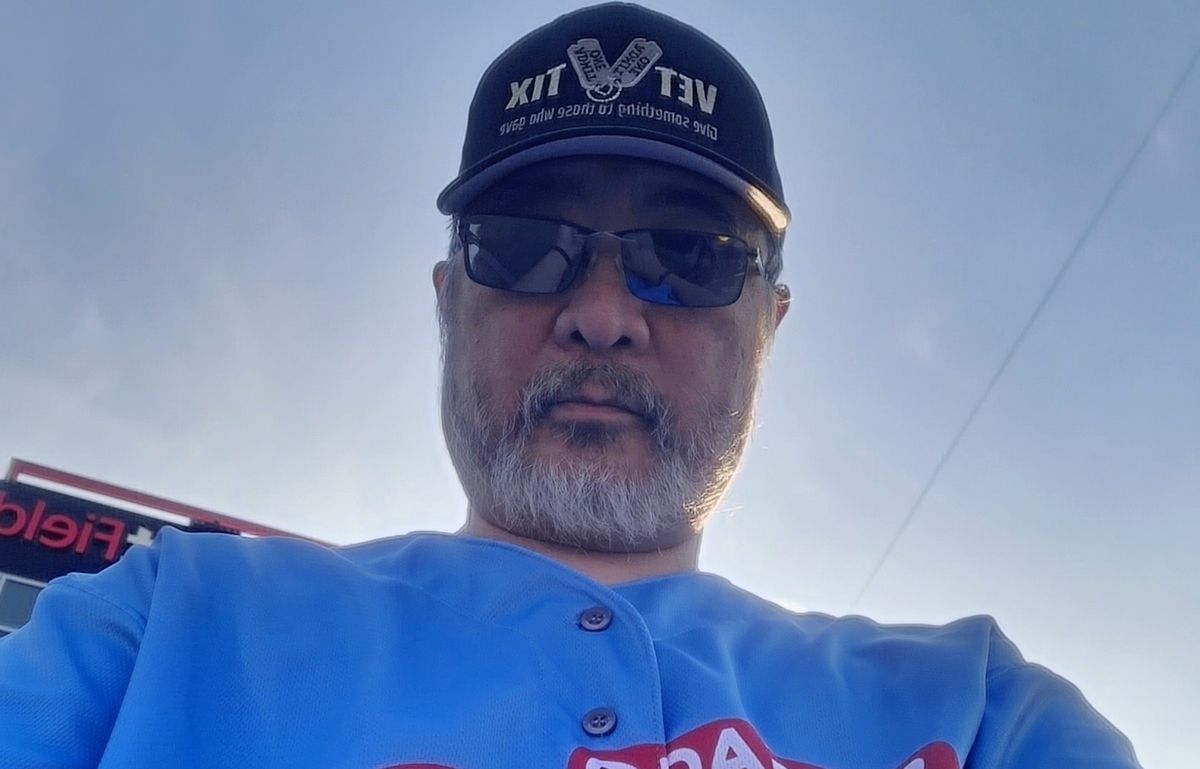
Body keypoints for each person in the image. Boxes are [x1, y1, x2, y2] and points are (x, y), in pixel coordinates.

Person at [0, 4, 1141, 768]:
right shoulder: (165, 627)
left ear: (770, 326)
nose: (603, 312)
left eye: (689, 257)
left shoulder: (980, 713)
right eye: (525, 245)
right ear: (448, 301)